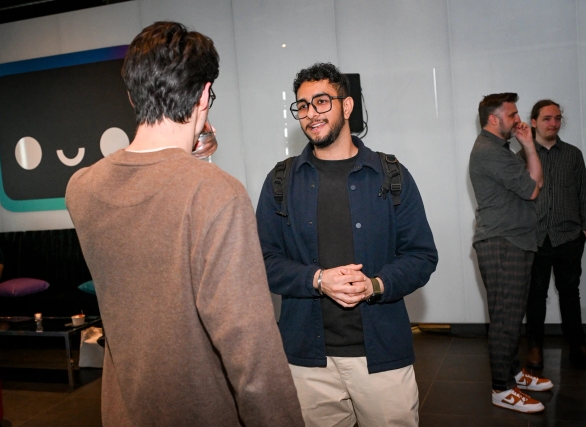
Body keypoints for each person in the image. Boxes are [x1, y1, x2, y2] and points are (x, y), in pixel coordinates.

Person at [66, 22, 303, 427]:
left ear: (131, 95)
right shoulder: (216, 193)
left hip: (125, 412)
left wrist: (184, 158)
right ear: (205, 94)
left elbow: (147, 203)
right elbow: (251, 351)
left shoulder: (81, 188)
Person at [256, 62, 438, 427]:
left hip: (382, 355)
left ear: (347, 106)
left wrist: (375, 285)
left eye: (321, 102)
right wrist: (317, 279)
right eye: (303, 106)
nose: (311, 114)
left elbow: (421, 255)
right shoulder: (281, 180)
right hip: (308, 359)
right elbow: (262, 260)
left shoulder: (391, 175)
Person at [469, 93, 553, 413]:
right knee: (505, 319)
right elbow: (533, 189)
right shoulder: (490, 151)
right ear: (494, 119)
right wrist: (528, 147)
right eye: (513, 114)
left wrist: (528, 145)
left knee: (511, 316)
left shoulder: (502, 150)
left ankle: (514, 373)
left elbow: (537, 181)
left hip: (513, 241)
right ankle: (502, 388)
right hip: (503, 243)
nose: (518, 119)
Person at [523, 100, 586, 370]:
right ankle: (534, 349)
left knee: (570, 294)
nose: (553, 123)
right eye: (546, 119)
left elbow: (584, 194)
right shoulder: (523, 157)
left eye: (557, 118)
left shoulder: (573, 155)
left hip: (568, 237)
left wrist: (584, 228)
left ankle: (579, 347)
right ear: (534, 122)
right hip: (536, 239)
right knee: (535, 296)